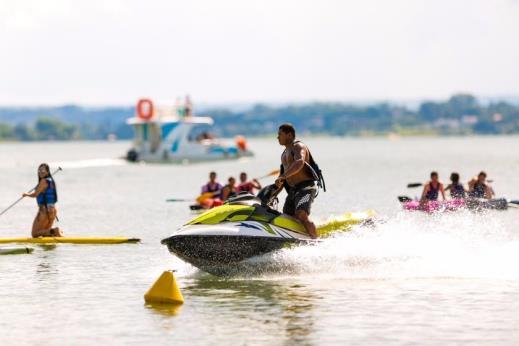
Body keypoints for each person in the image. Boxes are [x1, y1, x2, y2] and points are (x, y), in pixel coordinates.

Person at [274, 123, 321, 239]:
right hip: (293, 190)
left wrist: (283, 176)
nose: (277, 137)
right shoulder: (284, 153)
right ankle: (297, 238)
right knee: (286, 217)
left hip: (306, 187)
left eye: (280, 134)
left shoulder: (299, 146)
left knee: (301, 214)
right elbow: (282, 178)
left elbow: (299, 162)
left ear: (289, 135)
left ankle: (316, 241)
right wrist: (272, 195)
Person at [22, 163, 63, 238]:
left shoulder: (43, 181)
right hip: (52, 210)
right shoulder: (51, 181)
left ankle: (56, 230)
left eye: (43, 170)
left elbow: (35, 194)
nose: (40, 172)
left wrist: (26, 194)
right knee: (45, 233)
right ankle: (54, 232)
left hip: (44, 211)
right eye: (39, 170)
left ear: (47, 172)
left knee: (35, 234)